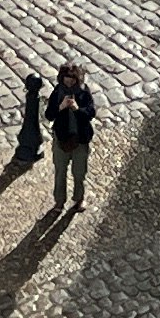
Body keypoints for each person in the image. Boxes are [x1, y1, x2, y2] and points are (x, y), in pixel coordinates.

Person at [47, 61, 97, 216]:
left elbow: (90, 114)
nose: (68, 81)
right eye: (66, 78)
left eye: (72, 79)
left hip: (80, 140)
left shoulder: (83, 92)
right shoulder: (57, 92)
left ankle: (78, 199)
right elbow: (49, 115)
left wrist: (77, 109)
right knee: (60, 171)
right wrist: (60, 107)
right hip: (61, 139)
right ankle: (59, 202)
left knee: (79, 172)